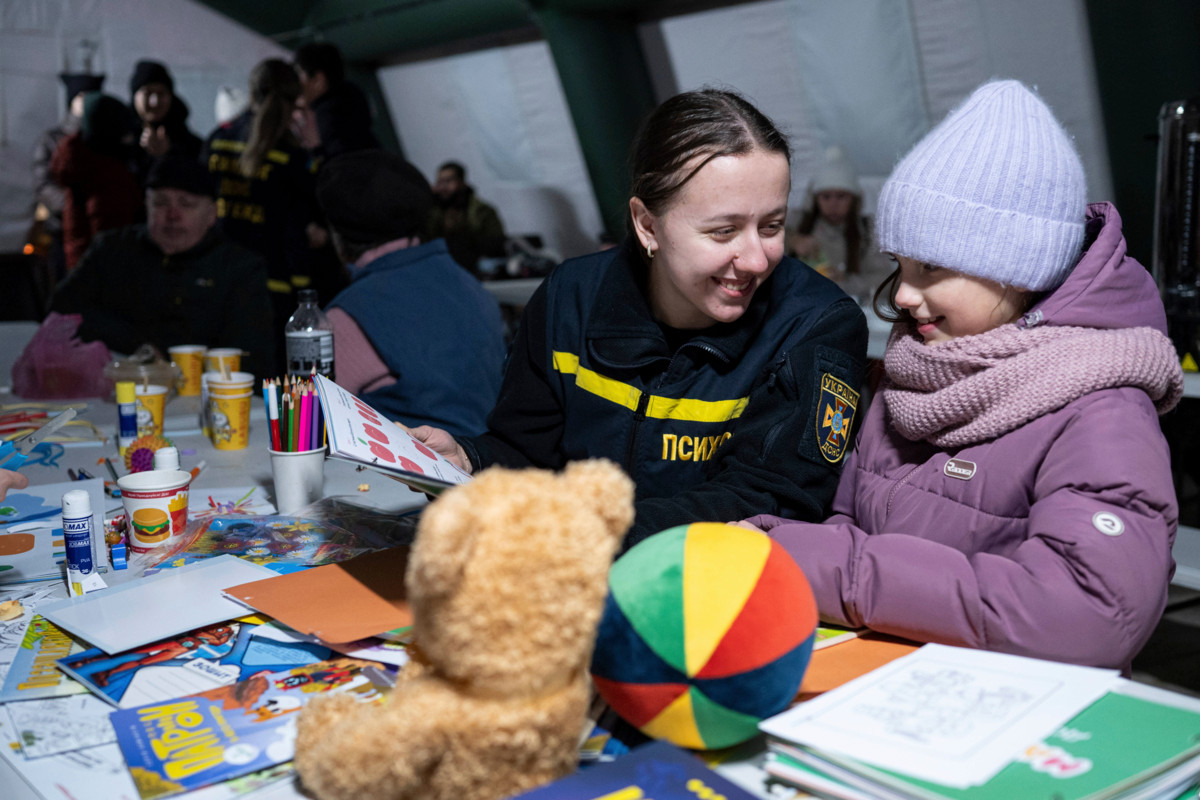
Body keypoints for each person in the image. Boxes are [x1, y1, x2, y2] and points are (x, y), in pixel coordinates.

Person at [741, 80, 1184, 672]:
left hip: (1017, 716)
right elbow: (848, 520)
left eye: (931, 269)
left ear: (1015, 268)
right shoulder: (915, 371)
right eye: (899, 265)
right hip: (888, 680)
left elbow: (1087, 614)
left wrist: (828, 571)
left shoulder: (1100, 407)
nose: (902, 296)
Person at [413, 88, 868, 549]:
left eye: (772, 226)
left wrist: (588, 535)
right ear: (647, 225)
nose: (755, 259)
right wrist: (471, 458)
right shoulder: (569, 298)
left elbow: (770, 498)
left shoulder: (817, 326)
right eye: (723, 231)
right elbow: (528, 452)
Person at [316, 150, 507, 435]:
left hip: (414, 475)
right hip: (495, 466)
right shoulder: (472, 287)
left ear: (338, 237)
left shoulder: (347, 316)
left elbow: (314, 426)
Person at [50, 156, 276, 377]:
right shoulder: (112, 249)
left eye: (186, 204)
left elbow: (251, 355)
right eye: (161, 203)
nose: (173, 215)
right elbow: (61, 307)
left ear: (211, 215)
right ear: (146, 205)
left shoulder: (239, 268)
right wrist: (136, 344)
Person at [204, 58, 334, 354]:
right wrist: (317, 149)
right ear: (295, 99)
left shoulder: (218, 140)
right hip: (279, 286)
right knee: (278, 379)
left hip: (221, 277)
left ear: (251, 92)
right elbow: (324, 203)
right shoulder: (294, 155)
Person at [50, 91, 143, 270]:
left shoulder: (84, 164)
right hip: (104, 273)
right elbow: (109, 231)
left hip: (85, 267)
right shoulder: (105, 173)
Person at [787, 145, 892, 302]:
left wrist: (846, 283)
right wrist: (791, 241)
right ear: (816, 198)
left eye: (841, 196)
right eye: (826, 197)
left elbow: (887, 281)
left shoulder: (867, 229)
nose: (833, 204)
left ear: (854, 199)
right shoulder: (798, 221)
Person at [32, 72, 105, 281]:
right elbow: (43, 184)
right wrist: (73, 207)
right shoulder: (52, 140)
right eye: (82, 96)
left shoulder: (106, 139)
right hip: (62, 231)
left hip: (101, 230)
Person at [292, 41, 380, 162]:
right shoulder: (351, 100)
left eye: (299, 74)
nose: (295, 84)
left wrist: (316, 151)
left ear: (318, 80)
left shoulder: (329, 116)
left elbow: (341, 165)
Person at [128, 60, 203, 183]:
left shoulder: (191, 145)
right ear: (135, 96)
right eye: (148, 93)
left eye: (161, 93)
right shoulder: (118, 137)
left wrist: (168, 155)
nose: (155, 102)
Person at [427, 161, 507, 275]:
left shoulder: (481, 211)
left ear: (461, 182)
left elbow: (495, 243)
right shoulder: (435, 210)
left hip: (476, 269)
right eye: (440, 181)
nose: (443, 187)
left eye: (448, 181)